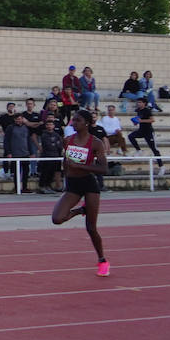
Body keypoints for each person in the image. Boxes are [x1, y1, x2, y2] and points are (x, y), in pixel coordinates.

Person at [51, 110, 111, 276]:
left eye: (77, 120)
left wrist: (80, 166)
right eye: (72, 120)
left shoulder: (96, 143)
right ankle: (81, 210)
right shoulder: (67, 140)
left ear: (86, 123)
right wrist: (65, 175)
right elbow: (66, 161)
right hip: (72, 185)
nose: (73, 123)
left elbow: (103, 169)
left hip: (89, 184)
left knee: (91, 228)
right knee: (57, 218)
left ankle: (102, 260)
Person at [127, 97, 164, 171]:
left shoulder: (147, 110)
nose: (138, 104)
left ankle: (161, 166)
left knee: (154, 149)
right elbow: (139, 120)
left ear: (144, 103)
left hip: (148, 132)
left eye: (140, 102)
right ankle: (138, 150)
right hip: (141, 130)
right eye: (138, 102)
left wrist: (141, 120)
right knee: (130, 136)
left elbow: (152, 120)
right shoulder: (138, 111)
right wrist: (136, 122)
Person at [38, 112, 65, 192]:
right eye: (48, 125)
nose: (49, 126)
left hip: (55, 156)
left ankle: (48, 185)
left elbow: (59, 145)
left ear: (54, 126)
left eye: (51, 125)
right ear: (46, 126)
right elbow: (48, 145)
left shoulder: (56, 135)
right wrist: (54, 144)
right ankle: (42, 186)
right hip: (47, 156)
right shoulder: (44, 135)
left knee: (51, 173)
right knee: (45, 172)